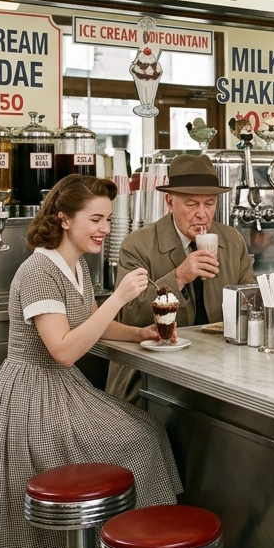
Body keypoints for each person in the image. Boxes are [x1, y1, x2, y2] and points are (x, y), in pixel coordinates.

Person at [0, 175, 182, 548]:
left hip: (60, 390)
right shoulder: (40, 271)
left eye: (107, 219)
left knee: (146, 430)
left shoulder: (75, 266)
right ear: (65, 220)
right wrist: (120, 297)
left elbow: (91, 322)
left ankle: (129, 547)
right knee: (142, 438)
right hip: (32, 397)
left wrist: (139, 333)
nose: (105, 228)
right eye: (96, 219)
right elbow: (65, 349)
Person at [106, 154, 255, 403]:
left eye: (209, 204)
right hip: (151, 374)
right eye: (191, 204)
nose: (202, 214)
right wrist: (179, 277)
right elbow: (128, 315)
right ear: (169, 202)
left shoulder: (231, 241)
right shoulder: (138, 245)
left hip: (217, 370)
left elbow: (250, 301)